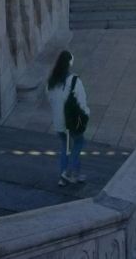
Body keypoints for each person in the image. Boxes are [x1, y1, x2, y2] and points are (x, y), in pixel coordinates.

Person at [47, 50, 89, 186]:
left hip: (59, 123)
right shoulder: (75, 81)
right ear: (70, 63)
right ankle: (70, 172)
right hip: (71, 122)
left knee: (65, 147)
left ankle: (64, 176)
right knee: (78, 143)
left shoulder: (51, 82)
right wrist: (86, 114)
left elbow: (50, 98)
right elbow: (82, 102)